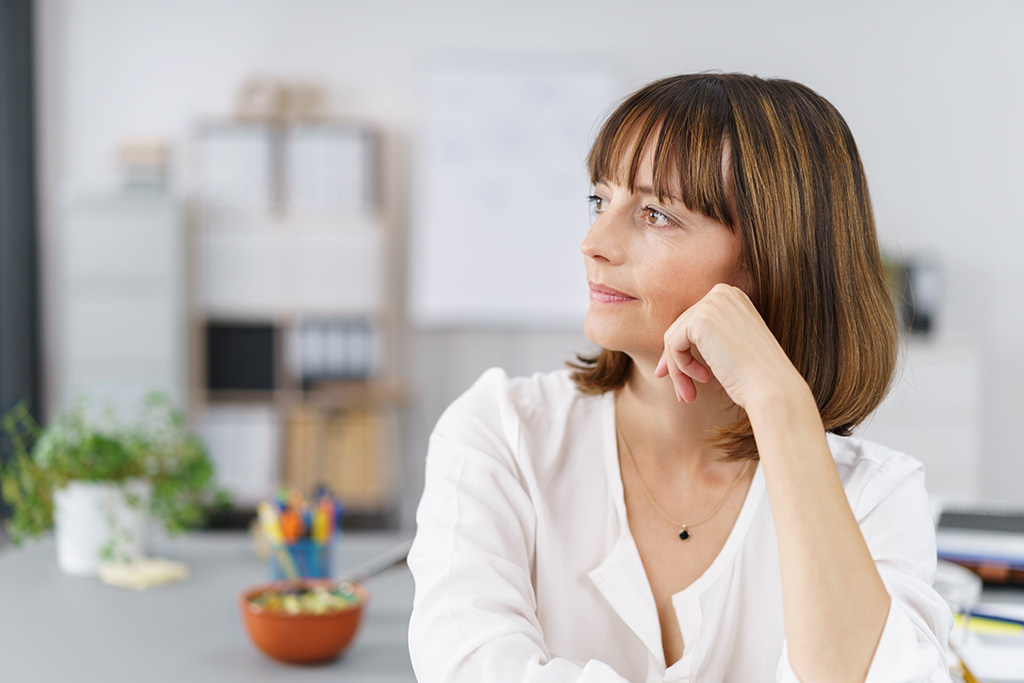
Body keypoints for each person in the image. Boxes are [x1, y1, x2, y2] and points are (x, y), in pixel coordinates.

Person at [407, 73, 952, 682]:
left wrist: (781, 407)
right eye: (599, 199)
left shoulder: (877, 497)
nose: (593, 243)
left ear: (776, 257)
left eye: (656, 214)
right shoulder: (501, 434)